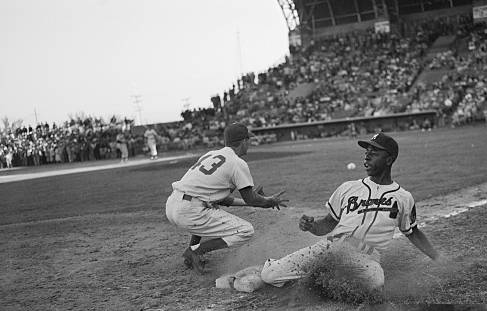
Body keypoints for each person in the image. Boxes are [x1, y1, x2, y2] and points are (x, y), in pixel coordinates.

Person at [260, 132, 439, 292]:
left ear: (389, 160)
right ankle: (279, 266)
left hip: (367, 256)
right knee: (270, 275)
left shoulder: (403, 197)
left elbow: (413, 233)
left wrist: (438, 259)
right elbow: (328, 224)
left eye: (374, 153)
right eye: (366, 152)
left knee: (376, 284)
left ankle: (321, 277)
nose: (367, 157)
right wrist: (311, 226)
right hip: (332, 245)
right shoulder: (348, 188)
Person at [165, 122, 288, 274]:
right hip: (190, 211)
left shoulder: (210, 154)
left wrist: (258, 201)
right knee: (245, 230)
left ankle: (193, 252)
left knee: (209, 207)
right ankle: (196, 252)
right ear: (243, 141)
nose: (249, 143)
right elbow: (251, 199)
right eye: (248, 140)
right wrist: (268, 201)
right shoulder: (237, 163)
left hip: (173, 205)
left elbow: (221, 199)